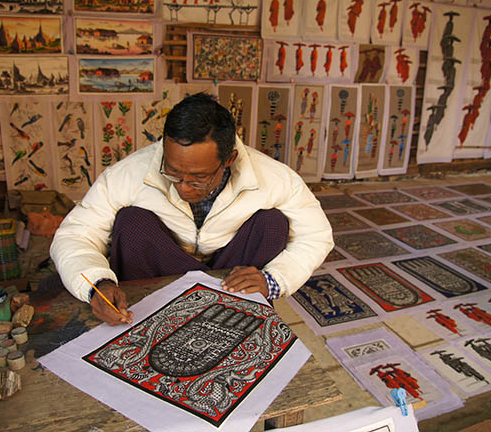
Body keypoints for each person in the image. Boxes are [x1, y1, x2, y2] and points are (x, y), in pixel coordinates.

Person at [50, 93, 333, 325]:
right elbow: (75, 236)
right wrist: (96, 284)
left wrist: (274, 280)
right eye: (172, 173)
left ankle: (247, 313)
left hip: (231, 275)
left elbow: (316, 235)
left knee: (272, 223)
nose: (184, 187)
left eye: (198, 178)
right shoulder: (126, 174)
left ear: (229, 159)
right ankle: (143, 316)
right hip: (162, 270)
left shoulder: (273, 177)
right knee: (132, 220)